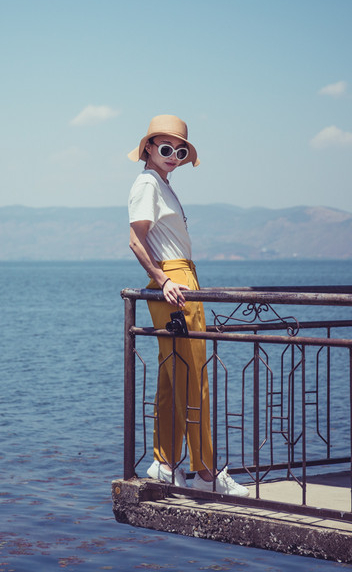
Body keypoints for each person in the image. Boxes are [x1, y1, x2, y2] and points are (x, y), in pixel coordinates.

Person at [126, 114, 249, 497]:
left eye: (180, 151)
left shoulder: (160, 185)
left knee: (172, 375)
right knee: (194, 376)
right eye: (165, 148)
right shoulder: (147, 184)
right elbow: (135, 240)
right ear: (147, 148)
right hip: (175, 282)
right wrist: (163, 280)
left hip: (178, 279)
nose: (173, 156)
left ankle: (164, 463)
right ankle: (206, 472)